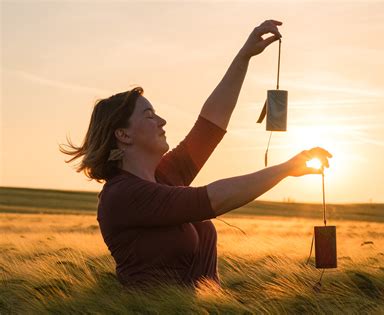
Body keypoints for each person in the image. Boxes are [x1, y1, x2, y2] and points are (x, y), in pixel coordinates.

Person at [59, 19, 332, 291]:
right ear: (124, 135)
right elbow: (213, 199)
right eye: (149, 115)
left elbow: (209, 126)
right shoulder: (122, 195)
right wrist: (286, 168)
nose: (162, 121)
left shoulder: (163, 177)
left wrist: (244, 57)